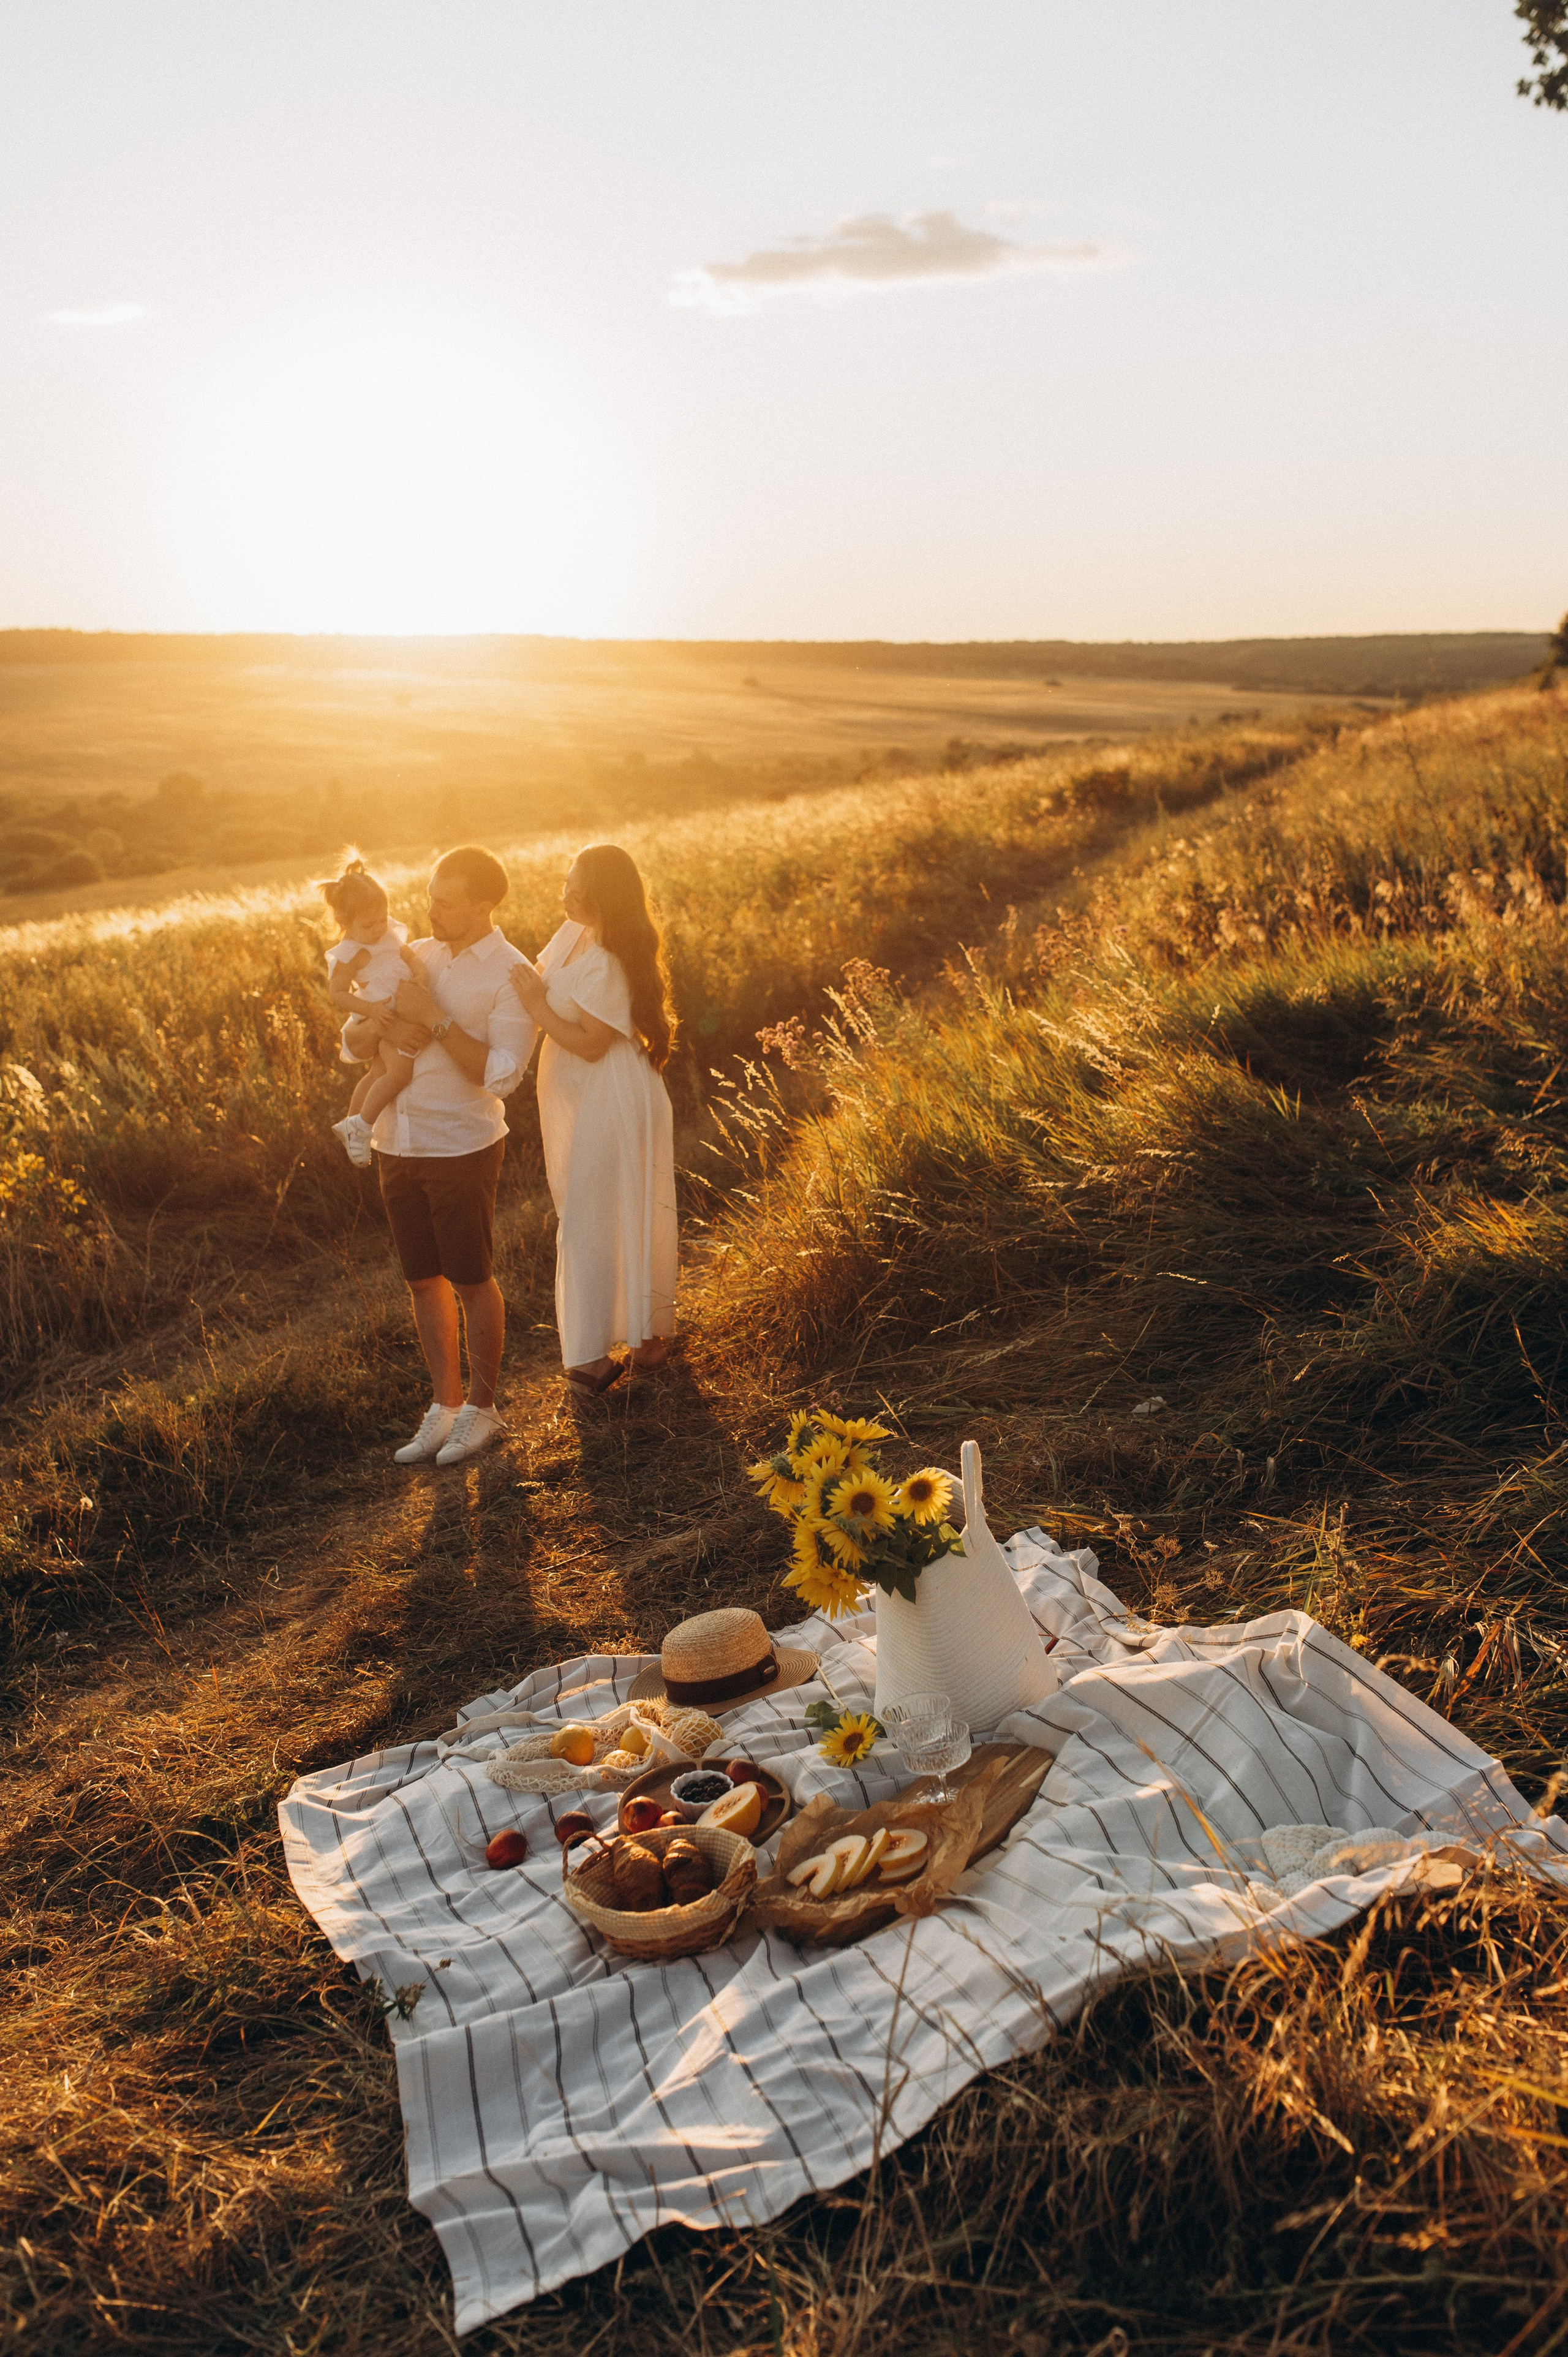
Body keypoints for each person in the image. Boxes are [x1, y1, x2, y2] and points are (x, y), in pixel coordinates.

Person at [341, 844, 535, 1466]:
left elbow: (503, 1075)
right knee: (421, 1279)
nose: (428, 910)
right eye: (427, 896)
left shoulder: (510, 971)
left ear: (483, 905)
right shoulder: (411, 956)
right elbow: (351, 1044)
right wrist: (368, 1029)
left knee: (472, 1278)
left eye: (444, 901)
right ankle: (443, 1406)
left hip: (462, 1145)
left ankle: (483, 1409)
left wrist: (437, 1020)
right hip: (396, 1140)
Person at [509, 843, 678, 1396]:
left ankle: (592, 1357)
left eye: (575, 883)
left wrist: (536, 1006)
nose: (565, 891)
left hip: (614, 1094)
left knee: (597, 1215)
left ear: (601, 894)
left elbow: (589, 1042)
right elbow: (530, 975)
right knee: (608, 1210)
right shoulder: (570, 935)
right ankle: (646, 1337)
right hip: (588, 1100)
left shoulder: (609, 959)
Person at [318, 858, 422, 1167]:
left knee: (378, 1073)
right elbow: (337, 994)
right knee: (400, 1072)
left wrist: (420, 976)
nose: (379, 929)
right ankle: (362, 1126)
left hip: (397, 1010)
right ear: (344, 921)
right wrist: (371, 1010)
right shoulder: (349, 953)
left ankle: (352, 1121)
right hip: (381, 1016)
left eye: (383, 919)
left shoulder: (386, 932)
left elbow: (409, 955)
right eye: (369, 925)